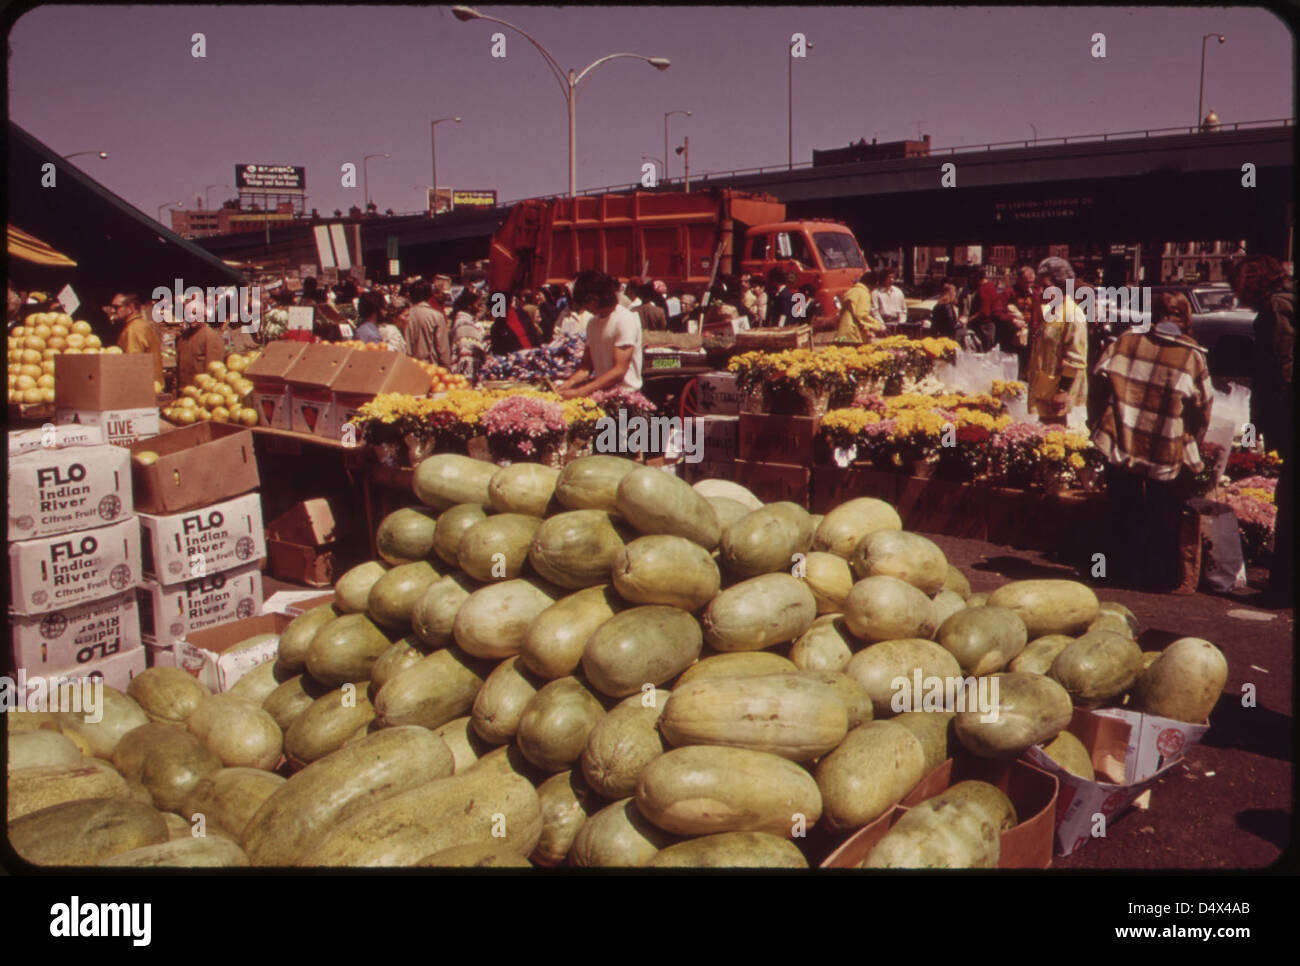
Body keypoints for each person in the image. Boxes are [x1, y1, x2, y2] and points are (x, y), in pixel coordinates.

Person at [1088, 291, 1214, 592]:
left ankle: (1117, 570)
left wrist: (1096, 422)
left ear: (1153, 314)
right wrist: (1191, 438)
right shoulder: (1192, 356)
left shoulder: (1126, 341)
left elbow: (1097, 380)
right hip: (1166, 446)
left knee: (1122, 509)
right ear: (1186, 318)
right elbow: (1203, 408)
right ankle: (1157, 578)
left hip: (1120, 439)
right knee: (1164, 515)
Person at [1228, 254, 1294, 603]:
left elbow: (1279, 369)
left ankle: (1282, 587)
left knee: (1290, 498)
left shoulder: (1275, 309)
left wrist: (1273, 424)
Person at [557, 270, 642, 398]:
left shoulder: (624, 320)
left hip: (625, 397)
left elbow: (619, 371)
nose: (585, 307)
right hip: (603, 394)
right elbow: (586, 367)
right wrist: (569, 383)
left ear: (597, 297)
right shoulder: (592, 323)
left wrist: (580, 392)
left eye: (587, 302)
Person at [1026, 257, 1088, 424]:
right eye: (1038, 287)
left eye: (1045, 287)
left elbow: (1076, 358)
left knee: (1055, 437)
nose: (1040, 291)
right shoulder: (1052, 310)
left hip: (1058, 392)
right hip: (1045, 387)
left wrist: (1063, 391)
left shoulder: (1072, 314)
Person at [108, 293, 164, 386]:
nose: (113, 310)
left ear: (131, 307)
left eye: (116, 307)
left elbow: (133, 362)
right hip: (153, 385)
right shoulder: (141, 325)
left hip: (143, 387)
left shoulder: (133, 329)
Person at [405, 281, 452, 367]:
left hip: (409, 366)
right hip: (431, 367)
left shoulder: (405, 316)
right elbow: (443, 349)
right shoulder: (437, 316)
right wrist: (447, 368)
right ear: (429, 296)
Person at [176, 313, 226, 388]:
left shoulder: (211, 336)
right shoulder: (183, 337)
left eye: (195, 313)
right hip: (185, 389)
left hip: (201, 390)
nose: (191, 317)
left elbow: (214, 370)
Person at [450, 287, 488, 381]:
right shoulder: (465, 324)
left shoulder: (461, 320)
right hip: (466, 375)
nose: (480, 308)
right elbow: (467, 358)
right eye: (478, 305)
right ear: (469, 306)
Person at [835, 271, 884, 343]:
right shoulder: (864, 294)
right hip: (853, 333)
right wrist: (877, 326)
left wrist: (866, 332)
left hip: (842, 332)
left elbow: (852, 315)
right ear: (872, 285)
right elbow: (861, 315)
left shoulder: (851, 291)